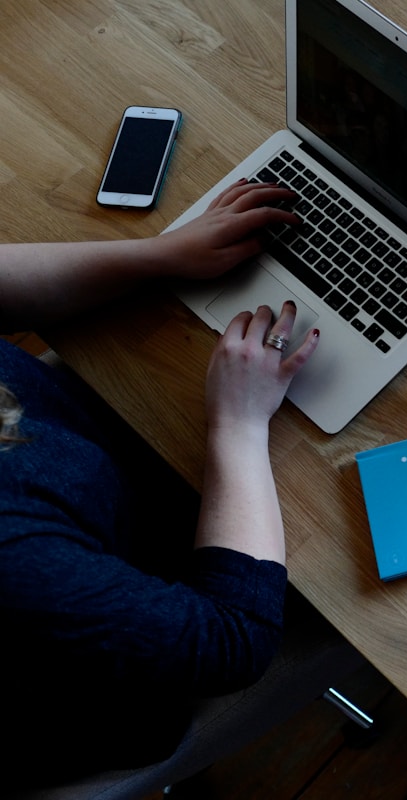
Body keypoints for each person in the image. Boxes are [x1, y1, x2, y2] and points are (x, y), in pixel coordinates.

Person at [0, 179, 319, 784]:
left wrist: (157, 254)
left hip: (90, 463)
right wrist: (239, 424)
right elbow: (234, 638)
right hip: (134, 663)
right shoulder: (17, 564)